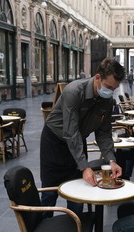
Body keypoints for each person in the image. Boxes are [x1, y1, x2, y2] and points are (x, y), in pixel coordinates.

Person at [40, 58, 125, 217]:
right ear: (98, 78)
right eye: (108, 87)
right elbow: (71, 131)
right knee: (49, 194)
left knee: (78, 196)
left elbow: (104, 133)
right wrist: (85, 166)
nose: (110, 92)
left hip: (78, 142)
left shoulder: (107, 100)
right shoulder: (74, 91)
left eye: (114, 89)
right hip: (54, 143)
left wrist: (111, 160)